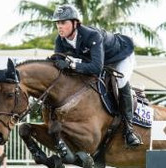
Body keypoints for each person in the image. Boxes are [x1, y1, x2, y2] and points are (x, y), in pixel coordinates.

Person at [52, 4, 142, 149]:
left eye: (63, 22)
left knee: (119, 81)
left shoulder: (91, 35)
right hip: (100, 59)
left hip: (121, 55)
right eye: (57, 23)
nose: (59, 26)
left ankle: (128, 129)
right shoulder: (60, 40)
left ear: (75, 23)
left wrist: (71, 65)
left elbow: (95, 67)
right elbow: (57, 61)